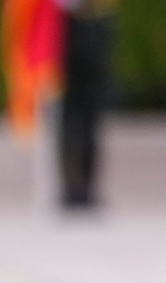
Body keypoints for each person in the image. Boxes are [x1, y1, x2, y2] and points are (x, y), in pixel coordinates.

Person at [58, 0, 119, 211]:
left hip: (96, 23)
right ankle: (70, 184)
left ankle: (88, 184)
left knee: (91, 113)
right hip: (67, 24)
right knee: (69, 112)